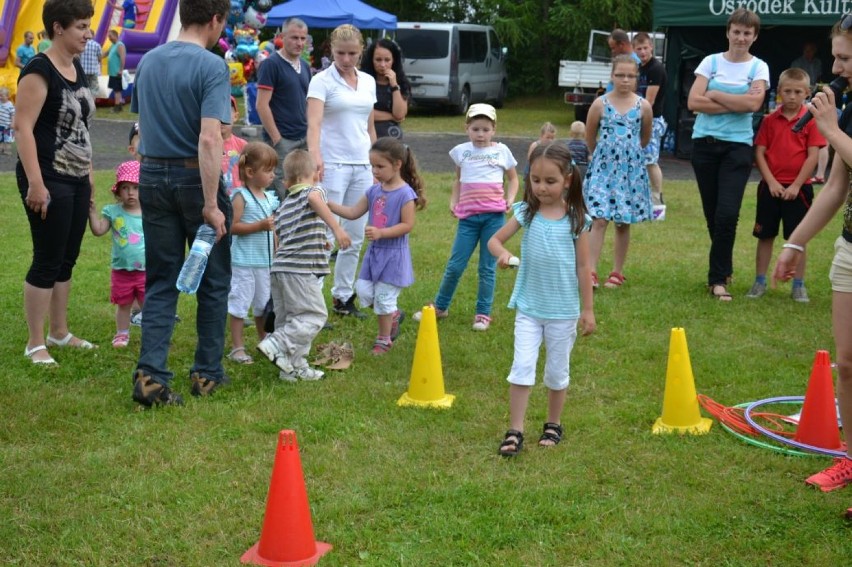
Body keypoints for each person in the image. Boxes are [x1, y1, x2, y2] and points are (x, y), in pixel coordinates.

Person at [130, 0, 232, 406]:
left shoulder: (150, 61)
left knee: (160, 279)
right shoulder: (212, 66)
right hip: (195, 178)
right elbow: (210, 138)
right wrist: (211, 203)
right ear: (215, 20)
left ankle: (150, 376)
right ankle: (206, 373)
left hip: (152, 175)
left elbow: (145, 124)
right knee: (214, 277)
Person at [771, 13, 852, 510]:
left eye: (844, 57)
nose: (836, 66)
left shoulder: (835, 116)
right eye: (837, 55)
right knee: (847, 363)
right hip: (850, 247)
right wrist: (795, 243)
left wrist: (829, 128)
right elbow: (839, 185)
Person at [487, 142, 595, 457]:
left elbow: (583, 267)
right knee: (521, 367)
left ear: (567, 180)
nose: (541, 188)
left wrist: (587, 310)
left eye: (550, 181)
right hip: (529, 309)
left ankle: (553, 423)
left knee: (557, 372)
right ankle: (515, 429)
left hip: (563, 312)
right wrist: (504, 254)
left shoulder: (576, 219)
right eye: (535, 180)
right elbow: (494, 241)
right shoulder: (526, 213)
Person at [15, 0, 97, 365]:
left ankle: (59, 332)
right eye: (81, 26)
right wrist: (36, 182)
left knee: (68, 258)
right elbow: (23, 128)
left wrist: (90, 178)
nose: (88, 33)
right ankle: (36, 342)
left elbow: (80, 128)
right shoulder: (38, 69)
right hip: (48, 177)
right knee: (47, 259)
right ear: (58, 27)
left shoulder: (74, 66)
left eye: (88, 25)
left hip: (77, 177)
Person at [413, 103, 519, 331]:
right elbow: (458, 180)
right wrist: (454, 201)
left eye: (485, 129)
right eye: (475, 129)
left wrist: (510, 198)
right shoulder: (461, 152)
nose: (480, 134)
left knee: (487, 267)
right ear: (467, 128)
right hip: (468, 220)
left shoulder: (502, 152)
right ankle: (440, 306)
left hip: (494, 219)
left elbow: (513, 179)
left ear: (494, 129)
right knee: (455, 265)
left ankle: (482, 314)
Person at [688, 8, 769, 301]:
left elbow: (753, 104)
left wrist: (716, 95)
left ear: (754, 36)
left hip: (738, 148)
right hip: (705, 147)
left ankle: (717, 279)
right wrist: (737, 101)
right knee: (714, 215)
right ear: (728, 32)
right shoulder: (710, 62)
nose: (741, 37)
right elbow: (693, 101)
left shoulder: (758, 68)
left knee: (727, 214)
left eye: (747, 33)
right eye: (736, 31)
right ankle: (724, 266)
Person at [257, 149, 351, 381]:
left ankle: (292, 367)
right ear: (315, 174)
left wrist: (320, 243)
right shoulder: (313, 191)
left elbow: (286, 237)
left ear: (286, 182)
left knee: (289, 319)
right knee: (313, 316)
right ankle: (278, 343)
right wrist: (337, 229)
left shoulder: (285, 205)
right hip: (299, 271)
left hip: (280, 270)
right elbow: (314, 199)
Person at [328, 137, 426, 355]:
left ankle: (384, 339)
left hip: (394, 256)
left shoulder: (405, 194)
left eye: (380, 166)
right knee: (363, 292)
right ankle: (391, 314)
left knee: (382, 298)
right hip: (375, 255)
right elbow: (353, 212)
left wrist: (382, 232)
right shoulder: (374, 192)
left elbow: (407, 225)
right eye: (372, 166)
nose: (375, 171)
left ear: (397, 165)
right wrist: (328, 205)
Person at [306, 23, 377, 319]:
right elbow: (314, 124)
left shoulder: (368, 81)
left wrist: (376, 161)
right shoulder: (321, 81)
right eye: (340, 53)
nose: (346, 59)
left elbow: (370, 126)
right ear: (331, 51)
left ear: (360, 52)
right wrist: (315, 156)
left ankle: (343, 296)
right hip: (332, 164)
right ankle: (312, 301)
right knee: (326, 233)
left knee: (356, 235)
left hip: (362, 163)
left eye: (352, 54)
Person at [747, 67, 825, 303]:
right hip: (770, 188)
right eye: (787, 91)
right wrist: (771, 181)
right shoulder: (769, 120)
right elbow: (759, 152)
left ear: (807, 93)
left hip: (798, 190)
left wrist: (796, 185)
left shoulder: (811, 121)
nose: (792, 96)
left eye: (798, 92)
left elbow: (813, 156)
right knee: (765, 236)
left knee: (798, 238)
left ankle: (798, 285)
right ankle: (759, 281)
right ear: (779, 91)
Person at [584, 54, 653, 289]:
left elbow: (644, 138)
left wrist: (627, 154)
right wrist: (603, 155)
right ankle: (590, 271)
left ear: (637, 78)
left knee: (623, 222)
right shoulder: (599, 104)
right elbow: (589, 136)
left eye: (630, 76)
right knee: (599, 218)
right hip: (603, 169)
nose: (625, 80)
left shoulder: (643, 106)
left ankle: (617, 271)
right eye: (620, 75)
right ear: (612, 76)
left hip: (630, 172)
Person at [226, 142, 278, 365]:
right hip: (244, 262)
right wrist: (258, 226)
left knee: (263, 304)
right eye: (268, 171)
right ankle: (237, 347)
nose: (273, 175)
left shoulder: (268, 197)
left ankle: (264, 340)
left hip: (264, 263)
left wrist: (277, 250)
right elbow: (232, 227)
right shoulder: (241, 196)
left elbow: (272, 230)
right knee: (240, 304)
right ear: (249, 172)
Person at [87, 161, 145, 348]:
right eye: (125, 188)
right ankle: (122, 333)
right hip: (121, 270)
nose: (130, 192)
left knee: (149, 305)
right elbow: (98, 230)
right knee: (124, 304)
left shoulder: (150, 212)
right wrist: (92, 213)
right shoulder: (113, 212)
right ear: (118, 191)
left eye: (136, 187)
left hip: (146, 270)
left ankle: (152, 335)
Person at [256, 17, 311, 196]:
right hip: (282, 140)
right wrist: (277, 139)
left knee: (303, 187)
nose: (299, 43)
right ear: (282, 36)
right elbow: (261, 105)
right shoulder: (271, 64)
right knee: (280, 192)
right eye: (294, 37)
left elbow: (307, 101)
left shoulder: (305, 65)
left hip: (303, 138)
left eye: (303, 39)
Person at [633, 32, 668, 207]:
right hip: (637, 120)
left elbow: (649, 102)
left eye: (645, 48)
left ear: (651, 47)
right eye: (639, 49)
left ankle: (656, 199)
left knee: (650, 161)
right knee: (637, 159)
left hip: (651, 121)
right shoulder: (639, 68)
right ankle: (640, 196)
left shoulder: (656, 68)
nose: (643, 52)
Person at [360, 38, 410, 139]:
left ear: (394, 60)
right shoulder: (362, 81)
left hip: (392, 140)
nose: (383, 65)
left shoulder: (401, 82)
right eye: (378, 60)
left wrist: (394, 86)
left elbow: (400, 114)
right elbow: (362, 111)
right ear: (371, 60)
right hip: (366, 137)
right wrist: (391, 116)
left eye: (387, 60)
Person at [222, 96, 248, 195]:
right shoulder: (204, 145)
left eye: (226, 113)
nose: (221, 118)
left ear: (235, 117)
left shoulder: (242, 145)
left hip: (239, 198)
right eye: (216, 114)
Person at [523, 122, 556, 194]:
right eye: (548, 137)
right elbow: (529, 158)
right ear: (541, 136)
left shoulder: (551, 147)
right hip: (531, 168)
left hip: (544, 169)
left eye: (552, 138)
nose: (550, 140)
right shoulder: (535, 145)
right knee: (528, 186)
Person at [103, 29, 125, 112]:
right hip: (113, 72)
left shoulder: (120, 45)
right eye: (108, 37)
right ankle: (119, 106)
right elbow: (106, 53)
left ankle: (117, 107)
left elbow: (123, 58)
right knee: (116, 90)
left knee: (117, 90)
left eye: (110, 36)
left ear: (115, 36)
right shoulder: (113, 45)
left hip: (117, 72)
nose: (109, 38)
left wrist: (120, 70)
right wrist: (99, 57)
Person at [80, 30, 102, 95]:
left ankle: (86, 104)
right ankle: (92, 104)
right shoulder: (97, 45)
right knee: (94, 89)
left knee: (84, 88)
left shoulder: (81, 44)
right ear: (93, 35)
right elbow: (99, 58)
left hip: (83, 71)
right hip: (93, 71)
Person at [0, 87, 15, 155]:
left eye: (2, 96)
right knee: (1, 138)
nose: (0, 97)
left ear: (7, 96)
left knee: (7, 139)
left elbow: (13, 115)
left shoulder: (10, 105)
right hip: (0, 125)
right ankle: (2, 149)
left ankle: (7, 150)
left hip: (7, 126)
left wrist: (12, 123)